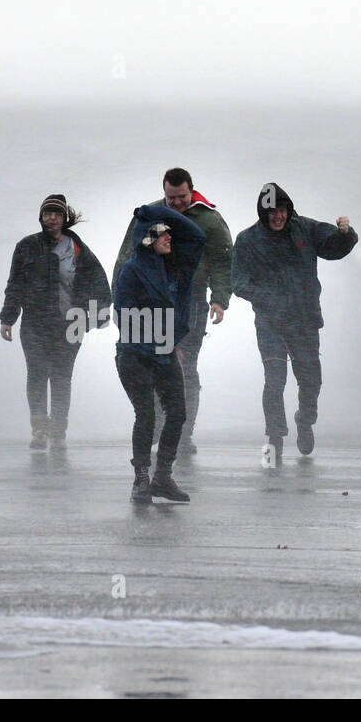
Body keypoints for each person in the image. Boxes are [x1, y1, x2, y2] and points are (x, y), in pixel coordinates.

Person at [231, 183, 359, 460]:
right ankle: (274, 437)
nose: (277, 217)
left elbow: (334, 248)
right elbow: (238, 282)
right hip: (270, 322)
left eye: (281, 211)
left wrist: (345, 234)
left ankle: (305, 420)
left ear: (288, 210)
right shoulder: (247, 240)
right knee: (275, 380)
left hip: (304, 318)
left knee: (311, 379)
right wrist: (268, 298)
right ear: (262, 214)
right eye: (271, 213)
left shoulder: (306, 229)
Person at [112, 168, 232, 456]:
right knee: (153, 363)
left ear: (192, 191)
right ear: (163, 192)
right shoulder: (151, 214)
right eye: (171, 197)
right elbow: (127, 255)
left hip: (190, 304)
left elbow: (222, 259)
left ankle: (183, 431)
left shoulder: (208, 219)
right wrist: (117, 299)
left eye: (181, 197)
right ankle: (155, 424)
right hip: (149, 304)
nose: (176, 203)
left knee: (184, 367)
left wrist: (220, 298)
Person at [0, 194, 111, 450]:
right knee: (37, 373)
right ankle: (39, 429)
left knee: (61, 377)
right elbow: (14, 283)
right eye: (47, 213)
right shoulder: (26, 246)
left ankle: (58, 429)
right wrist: (8, 318)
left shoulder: (78, 248)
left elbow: (98, 281)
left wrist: (100, 313)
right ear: (40, 217)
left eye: (57, 214)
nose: (52, 218)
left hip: (70, 323)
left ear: (64, 218)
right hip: (35, 323)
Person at [113, 205, 205, 501]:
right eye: (161, 233)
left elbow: (198, 236)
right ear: (146, 239)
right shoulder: (132, 269)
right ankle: (141, 478)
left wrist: (158, 211)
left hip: (164, 352)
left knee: (177, 413)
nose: (168, 237)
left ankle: (162, 477)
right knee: (147, 415)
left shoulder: (177, 266)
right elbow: (122, 312)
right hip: (134, 353)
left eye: (168, 232)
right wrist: (154, 338)